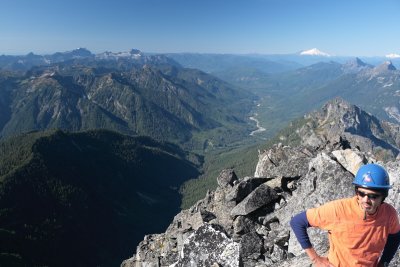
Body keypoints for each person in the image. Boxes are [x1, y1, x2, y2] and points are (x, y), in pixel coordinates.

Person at [290, 163, 400, 267]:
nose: (366, 200)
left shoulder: (389, 214)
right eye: (361, 193)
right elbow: (297, 222)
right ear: (356, 191)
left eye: (373, 196)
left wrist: (384, 263)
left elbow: (395, 237)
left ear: (383, 196)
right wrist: (316, 259)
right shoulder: (338, 210)